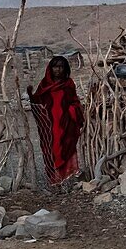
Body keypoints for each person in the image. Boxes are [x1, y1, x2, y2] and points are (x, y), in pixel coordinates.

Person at [27, 55, 84, 185]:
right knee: (51, 148)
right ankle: (55, 179)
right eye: (55, 67)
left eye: (60, 67)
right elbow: (38, 101)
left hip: (65, 123)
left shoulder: (68, 84)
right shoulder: (44, 84)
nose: (57, 70)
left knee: (66, 146)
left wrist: (72, 111)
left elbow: (75, 101)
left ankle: (69, 176)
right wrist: (30, 94)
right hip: (50, 124)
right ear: (50, 68)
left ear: (65, 69)